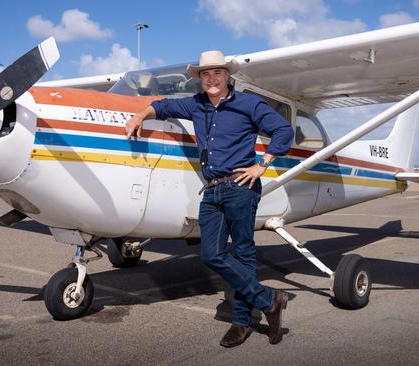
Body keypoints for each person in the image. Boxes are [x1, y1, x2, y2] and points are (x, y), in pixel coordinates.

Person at [124, 50, 294, 347]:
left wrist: (262, 164)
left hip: (241, 187)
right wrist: (141, 115)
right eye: (205, 74)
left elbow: (283, 130)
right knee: (210, 254)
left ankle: (241, 322)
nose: (211, 78)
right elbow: (163, 106)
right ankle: (269, 299)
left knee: (243, 254)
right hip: (212, 189)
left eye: (217, 73)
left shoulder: (248, 103)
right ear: (199, 79)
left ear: (228, 76)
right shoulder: (197, 105)